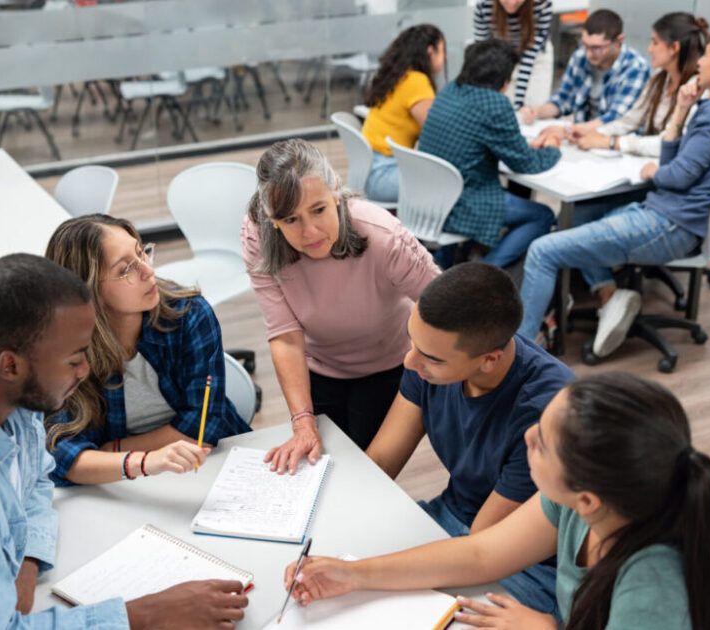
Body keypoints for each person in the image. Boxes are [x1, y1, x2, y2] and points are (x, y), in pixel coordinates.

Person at [0, 253, 249, 629]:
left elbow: (37, 478)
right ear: (11, 364)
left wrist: (27, 566)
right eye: (74, 359)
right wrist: (145, 615)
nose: (86, 370)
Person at [285, 373, 710, 630]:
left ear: (587, 497)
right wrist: (355, 573)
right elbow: (482, 552)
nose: (527, 435)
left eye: (541, 441)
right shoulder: (591, 503)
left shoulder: (657, 587)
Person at [517, 26, 710, 359]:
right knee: (577, 217)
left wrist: (659, 172)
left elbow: (676, 175)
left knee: (541, 251)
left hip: (670, 225)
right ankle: (609, 296)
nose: (700, 63)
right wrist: (680, 112)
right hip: (671, 215)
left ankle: (518, 357)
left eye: (706, 56)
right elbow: (675, 165)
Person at [366, 262, 573, 615]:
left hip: (521, 560)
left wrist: (366, 575)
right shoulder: (428, 360)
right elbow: (382, 460)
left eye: (430, 357)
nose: (409, 360)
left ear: (489, 360)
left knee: (397, 604)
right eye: (412, 341)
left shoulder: (545, 414)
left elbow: (482, 545)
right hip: (453, 518)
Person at [240, 138, 440, 470]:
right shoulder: (258, 236)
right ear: (271, 218)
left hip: (388, 364)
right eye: (290, 220)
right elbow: (285, 335)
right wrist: (302, 421)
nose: (310, 231)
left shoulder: (381, 234)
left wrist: (425, 364)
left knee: (365, 473)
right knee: (320, 467)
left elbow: (443, 303)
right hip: (319, 365)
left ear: (336, 190)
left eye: (318, 209)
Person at [43, 214, 250, 486]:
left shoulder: (190, 315)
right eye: (125, 269)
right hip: (121, 485)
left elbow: (202, 428)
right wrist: (144, 462)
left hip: (210, 467)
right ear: (88, 291)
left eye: (142, 252)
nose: (148, 271)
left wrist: (111, 452)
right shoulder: (62, 348)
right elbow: (63, 455)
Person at [417, 39, 561, 269]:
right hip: (464, 204)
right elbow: (526, 164)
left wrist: (523, 145)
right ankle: (483, 271)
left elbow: (479, 138)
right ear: (504, 80)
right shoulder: (494, 103)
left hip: (430, 198)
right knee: (543, 215)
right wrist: (553, 146)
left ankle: (448, 266)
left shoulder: (449, 90)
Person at [573, 13, 710, 157]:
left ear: (674, 47)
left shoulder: (695, 89)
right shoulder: (659, 79)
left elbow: (666, 143)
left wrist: (612, 142)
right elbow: (631, 120)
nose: (649, 49)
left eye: (655, 42)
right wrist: (594, 134)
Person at [522, 9, 650, 141]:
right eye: (585, 45)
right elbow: (563, 99)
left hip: (614, 143)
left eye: (596, 48)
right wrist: (537, 111)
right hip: (582, 139)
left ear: (618, 41)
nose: (588, 53)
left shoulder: (635, 68)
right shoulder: (580, 57)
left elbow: (616, 119)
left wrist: (570, 131)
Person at [360, 24, 447, 203]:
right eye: (442, 51)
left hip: (370, 169)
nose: (445, 58)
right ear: (431, 51)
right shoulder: (417, 81)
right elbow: (438, 132)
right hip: (384, 175)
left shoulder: (399, 76)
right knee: (450, 184)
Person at [473, 0, 555, 110]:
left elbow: (530, 55)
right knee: (502, 103)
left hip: (535, 55)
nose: (512, 3)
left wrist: (519, 103)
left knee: (534, 108)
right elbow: (483, 55)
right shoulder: (483, 5)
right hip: (501, 54)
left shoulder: (543, 3)